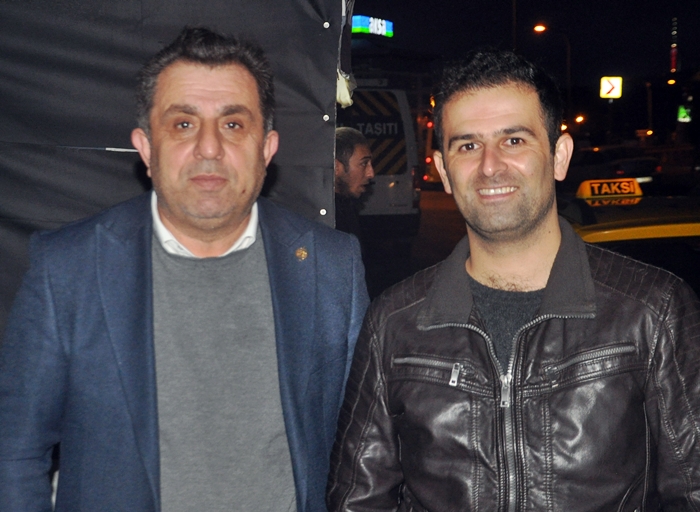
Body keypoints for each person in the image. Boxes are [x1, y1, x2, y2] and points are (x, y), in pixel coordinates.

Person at [0, 27, 369, 512]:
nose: (209, 147)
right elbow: (14, 452)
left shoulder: (331, 267)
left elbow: (365, 450)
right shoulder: (68, 267)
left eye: (233, 124)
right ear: (146, 148)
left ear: (267, 148)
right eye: (183, 124)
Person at [327, 50, 700, 511]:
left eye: (514, 140)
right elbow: (358, 499)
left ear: (559, 156)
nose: (490, 166)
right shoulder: (394, 322)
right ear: (443, 171)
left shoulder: (654, 310)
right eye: (467, 146)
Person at [334, 126, 374, 238]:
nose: (371, 174)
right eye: (363, 163)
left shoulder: (346, 209)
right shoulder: (324, 218)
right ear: (336, 167)